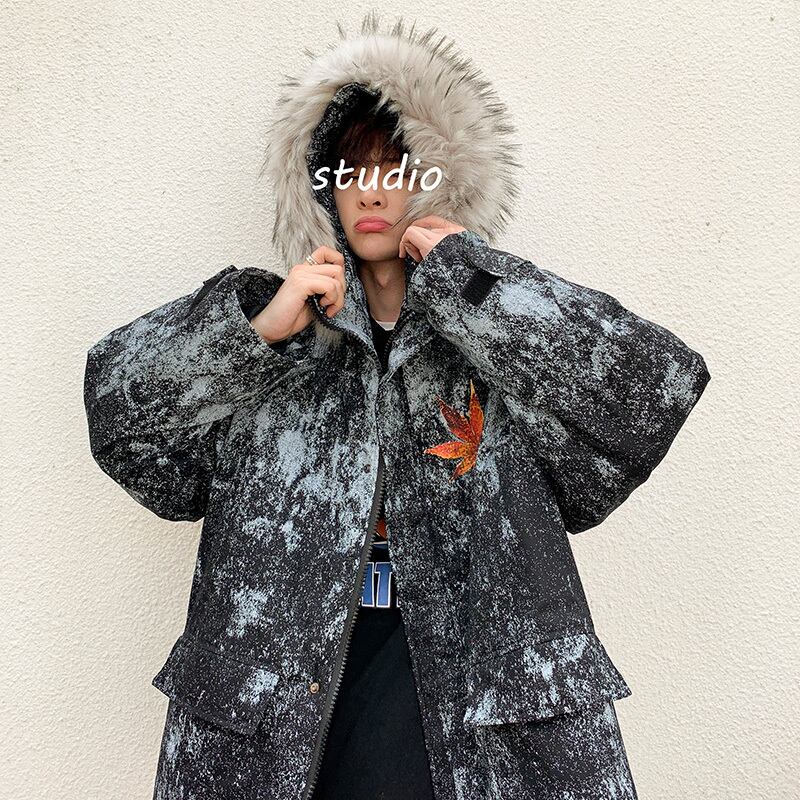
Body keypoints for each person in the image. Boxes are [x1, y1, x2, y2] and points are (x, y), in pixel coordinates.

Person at [83, 13, 710, 800]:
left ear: (440, 182)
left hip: (473, 699)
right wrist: (256, 332)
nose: (372, 191)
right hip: (281, 707)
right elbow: (120, 420)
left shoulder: (494, 334)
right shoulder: (274, 337)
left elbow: (652, 389)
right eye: (350, 171)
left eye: (398, 168)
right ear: (321, 189)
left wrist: (471, 281)